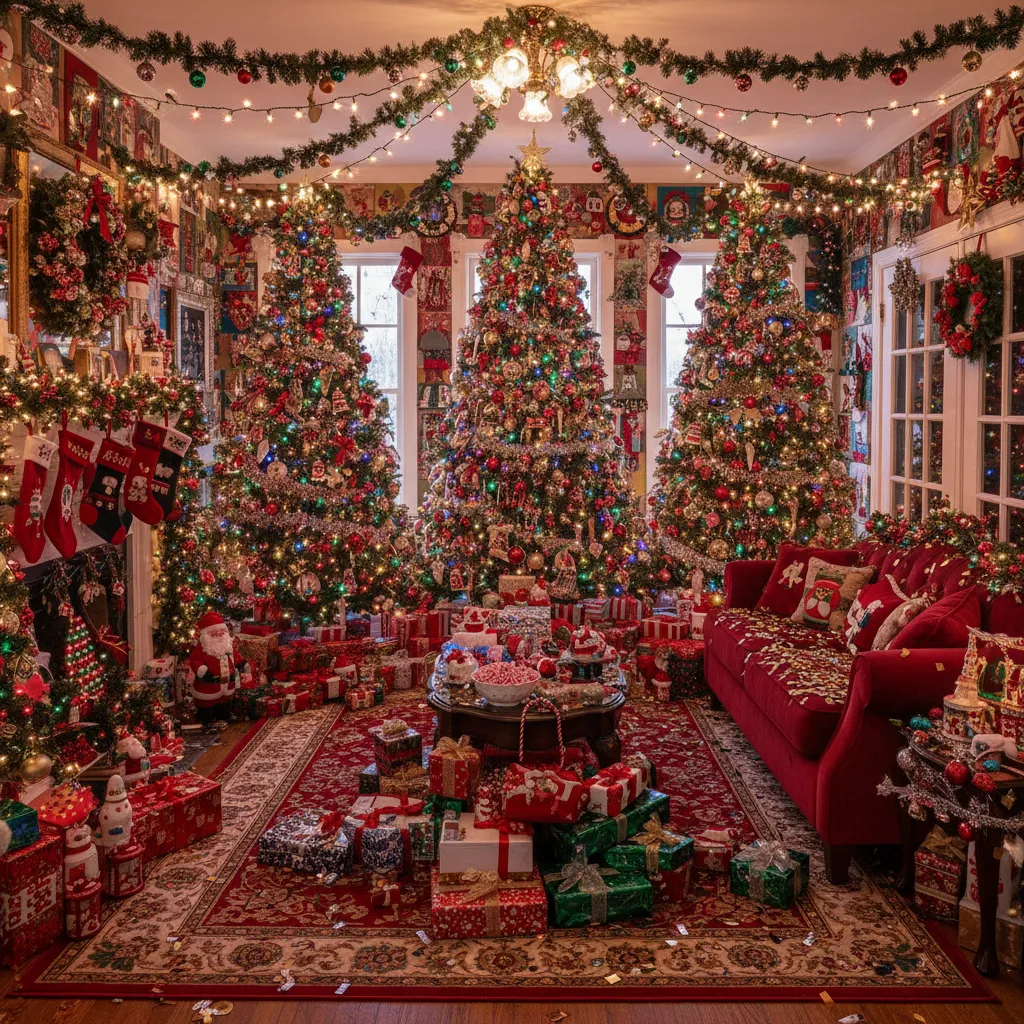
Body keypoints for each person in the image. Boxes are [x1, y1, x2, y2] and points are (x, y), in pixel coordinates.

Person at [186, 611, 249, 729]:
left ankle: (223, 716)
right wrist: (202, 670)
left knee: (224, 707)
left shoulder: (228, 647)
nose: (219, 636)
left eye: (222, 633)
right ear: (206, 636)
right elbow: (195, 660)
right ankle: (205, 718)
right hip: (207, 689)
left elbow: (236, 657)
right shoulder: (202, 648)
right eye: (215, 634)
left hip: (226, 688)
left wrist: (243, 665)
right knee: (205, 710)